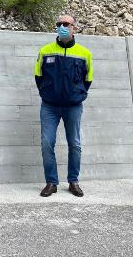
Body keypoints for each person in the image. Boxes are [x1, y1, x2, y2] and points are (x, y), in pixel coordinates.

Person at [34, 15, 93, 197]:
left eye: (66, 24)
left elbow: (88, 79)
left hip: (73, 106)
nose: (62, 27)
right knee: (46, 143)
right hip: (49, 106)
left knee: (74, 144)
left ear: (74, 27)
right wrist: (48, 92)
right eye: (59, 24)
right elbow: (38, 76)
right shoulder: (45, 51)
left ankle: (73, 181)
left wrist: (77, 94)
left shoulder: (85, 53)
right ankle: (51, 182)